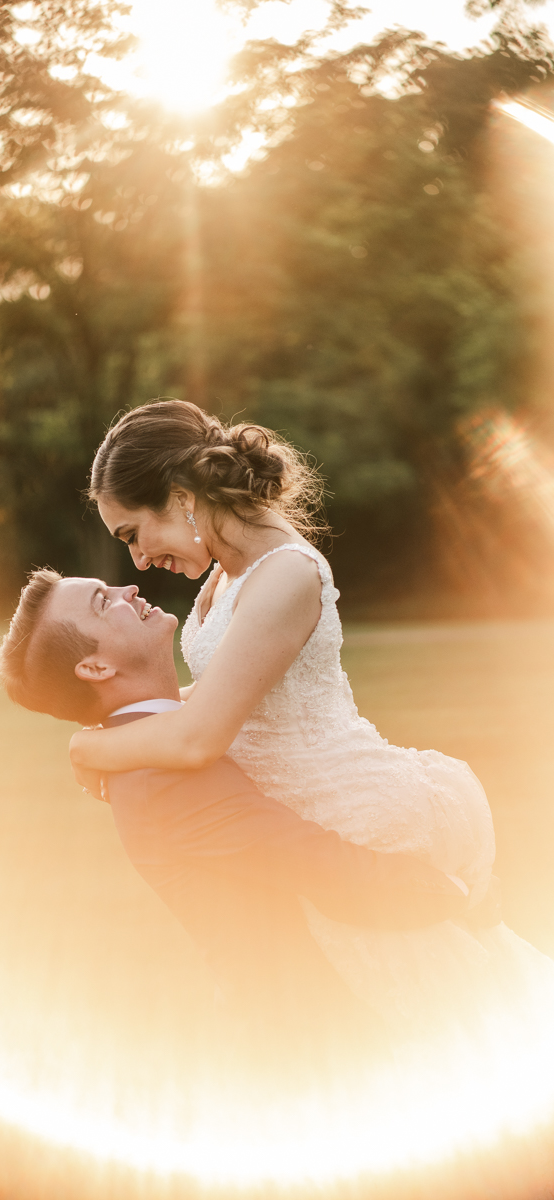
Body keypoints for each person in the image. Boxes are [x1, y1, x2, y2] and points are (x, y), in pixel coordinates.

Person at [70, 398, 554, 1038]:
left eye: (133, 533)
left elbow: (200, 737)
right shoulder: (225, 577)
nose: (136, 561)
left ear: (181, 493)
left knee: (470, 1030)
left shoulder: (285, 575)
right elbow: (223, 701)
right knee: (441, 1026)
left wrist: (88, 749)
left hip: (359, 815)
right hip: (315, 821)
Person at [0, 566, 488, 1063]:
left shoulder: (174, 730)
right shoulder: (159, 782)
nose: (130, 588)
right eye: (104, 602)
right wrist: (458, 895)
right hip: (321, 1043)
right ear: (96, 669)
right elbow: (326, 866)